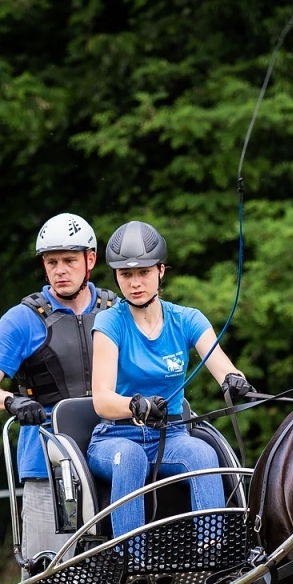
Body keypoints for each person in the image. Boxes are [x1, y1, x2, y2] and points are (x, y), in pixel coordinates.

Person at [0, 212, 117, 565]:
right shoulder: (23, 319)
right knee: (45, 575)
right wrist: (12, 401)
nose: (60, 269)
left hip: (112, 458)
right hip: (49, 467)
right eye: (52, 262)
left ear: (90, 260)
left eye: (69, 260)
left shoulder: (117, 310)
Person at [88, 220, 255, 540]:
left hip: (171, 434)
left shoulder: (187, 319)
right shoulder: (110, 322)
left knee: (204, 455)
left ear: (161, 271)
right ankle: (131, 564)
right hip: (115, 438)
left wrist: (234, 381)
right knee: (131, 458)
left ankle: (214, 560)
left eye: (144, 272)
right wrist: (137, 404)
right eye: (126, 274)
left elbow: (224, 367)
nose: (135, 282)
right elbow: (102, 400)